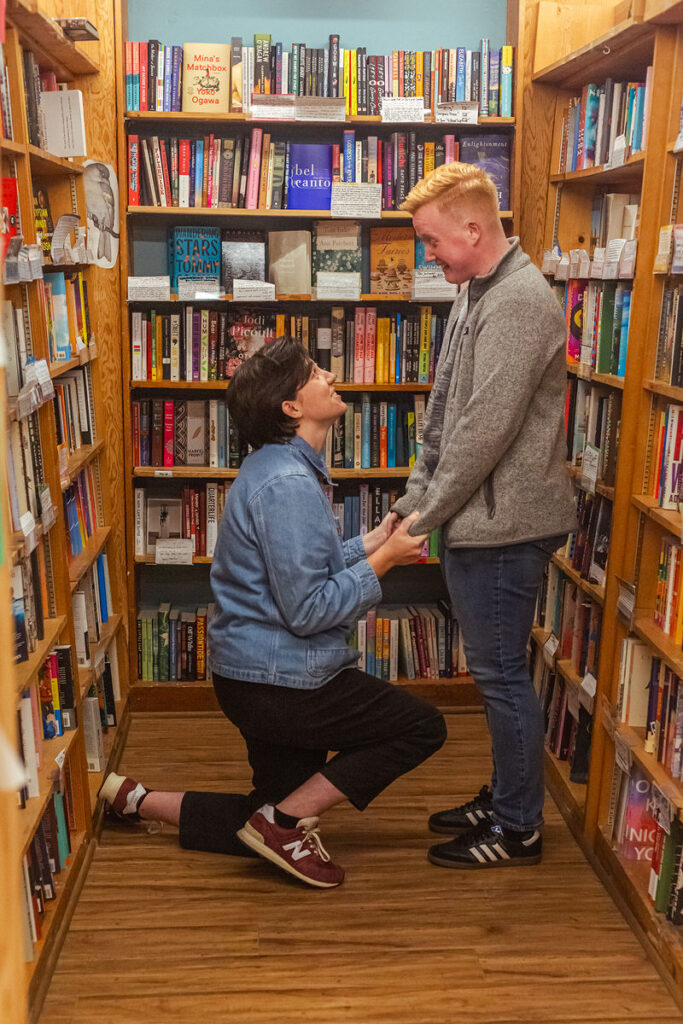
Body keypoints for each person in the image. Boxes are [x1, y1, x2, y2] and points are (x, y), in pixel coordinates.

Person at [101, 337, 446, 889]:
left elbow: (303, 568)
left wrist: (371, 541)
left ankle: (136, 800)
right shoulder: (288, 482)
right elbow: (309, 609)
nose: (329, 375)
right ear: (291, 407)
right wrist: (383, 561)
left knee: (259, 813)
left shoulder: (279, 467)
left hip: (255, 677)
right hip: (283, 684)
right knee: (422, 727)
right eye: (314, 373)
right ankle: (286, 824)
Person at [390, 161, 576, 870]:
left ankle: (517, 826)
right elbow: (442, 412)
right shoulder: (474, 291)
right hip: (476, 519)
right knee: (495, 674)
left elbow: (484, 431)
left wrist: (421, 518)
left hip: (505, 528)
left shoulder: (520, 302)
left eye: (431, 241)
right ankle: (504, 794)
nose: (426, 255)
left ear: (473, 228)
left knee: (500, 677)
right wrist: (415, 500)